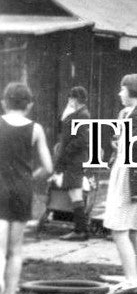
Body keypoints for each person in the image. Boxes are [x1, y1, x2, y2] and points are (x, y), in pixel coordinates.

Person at [102, 74, 137, 294]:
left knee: (120, 230)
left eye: (122, 89)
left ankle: (131, 280)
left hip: (131, 178)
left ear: (132, 92)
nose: (119, 93)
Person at [0, 83, 54, 294]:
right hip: (23, 189)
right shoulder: (36, 129)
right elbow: (48, 167)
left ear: (4, 102)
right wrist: (30, 178)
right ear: (29, 105)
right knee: (15, 249)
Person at [52, 85, 92, 241]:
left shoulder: (82, 115)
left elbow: (82, 140)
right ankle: (80, 229)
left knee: (75, 193)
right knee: (73, 193)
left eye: (70, 98)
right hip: (72, 160)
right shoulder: (77, 113)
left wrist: (67, 150)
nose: (69, 101)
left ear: (75, 99)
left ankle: (80, 230)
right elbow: (64, 129)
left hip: (75, 160)